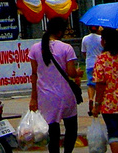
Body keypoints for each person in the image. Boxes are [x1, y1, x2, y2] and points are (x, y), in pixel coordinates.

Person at [29, 16, 82, 153]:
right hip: (65, 95)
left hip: (46, 97)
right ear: (59, 32)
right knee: (71, 128)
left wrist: (33, 98)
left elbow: (34, 74)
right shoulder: (66, 48)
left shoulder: (35, 49)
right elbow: (70, 72)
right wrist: (77, 73)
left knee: (53, 133)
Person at [82, 26, 104, 114]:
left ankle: (91, 98)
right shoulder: (101, 39)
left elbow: (84, 52)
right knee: (99, 84)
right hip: (99, 63)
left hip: (89, 63)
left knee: (90, 84)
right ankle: (98, 103)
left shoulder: (85, 39)